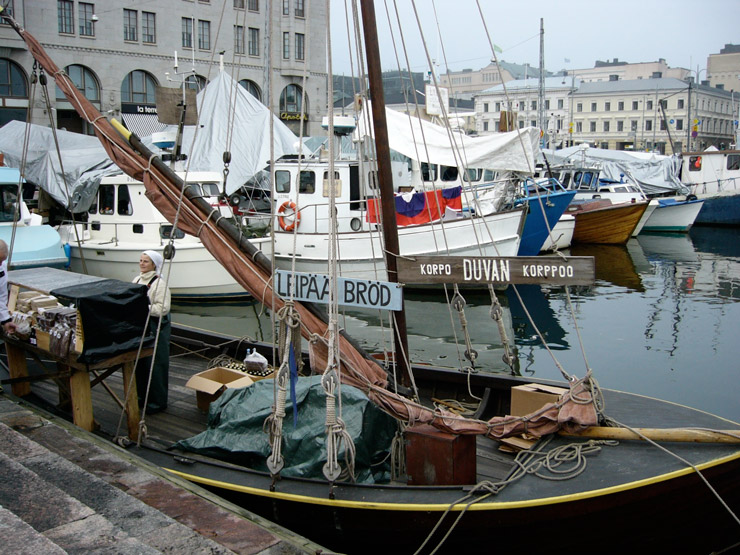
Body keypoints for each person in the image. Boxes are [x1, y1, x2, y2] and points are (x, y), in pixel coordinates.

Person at [133, 250, 171, 414]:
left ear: (154, 265)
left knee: (155, 365)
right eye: (141, 261)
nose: (142, 264)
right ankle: (141, 397)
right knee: (140, 364)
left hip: (156, 328)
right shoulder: (137, 279)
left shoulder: (159, 284)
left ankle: (157, 402)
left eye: (146, 261)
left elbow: (162, 308)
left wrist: (143, 308)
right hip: (141, 326)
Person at [0, 240, 17, 336]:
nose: (0, 264)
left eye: (2, 260)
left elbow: (1, 295)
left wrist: (6, 320)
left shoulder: (1, 267)